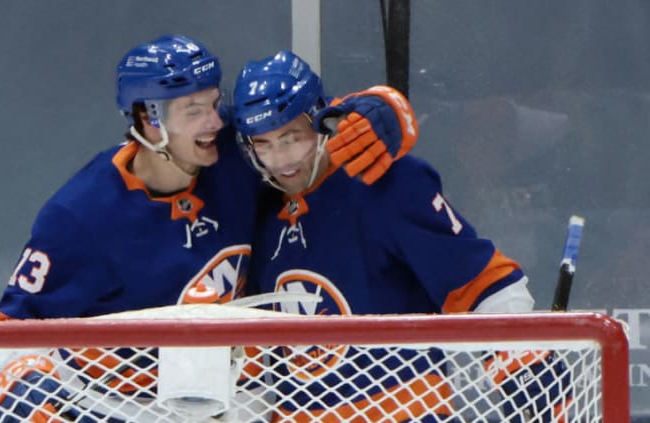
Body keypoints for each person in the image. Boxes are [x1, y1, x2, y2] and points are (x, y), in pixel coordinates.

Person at [0, 35, 416, 422]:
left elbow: (307, 116)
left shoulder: (234, 151)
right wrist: (28, 396)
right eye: (195, 111)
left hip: (243, 399)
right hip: (125, 407)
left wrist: (380, 110)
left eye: (213, 102)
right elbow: (3, 336)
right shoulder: (81, 215)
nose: (215, 121)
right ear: (149, 120)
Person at [233, 50, 571, 422]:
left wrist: (525, 364)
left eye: (290, 137)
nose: (281, 160)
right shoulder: (258, 209)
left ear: (318, 119)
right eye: (263, 145)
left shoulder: (384, 183)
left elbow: (477, 279)